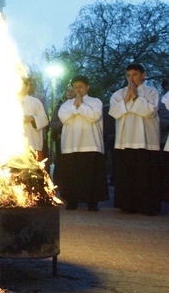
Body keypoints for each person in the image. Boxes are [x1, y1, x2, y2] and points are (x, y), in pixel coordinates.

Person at [108, 63, 161, 215]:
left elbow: (150, 112)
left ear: (143, 75)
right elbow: (114, 112)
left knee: (145, 176)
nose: (131, 78)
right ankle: (127, 205)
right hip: (125, 140)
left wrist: (136, 97)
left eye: (135, 75)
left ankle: (148, 206)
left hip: (146, 141)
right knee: (127, 175)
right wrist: (126, 99)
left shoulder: (152, 92)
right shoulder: (119, 94)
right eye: (128, 75)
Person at [57, 75, 108, 211]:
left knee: (91, 176)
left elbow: (94, 116)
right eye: (75, 87)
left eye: (80, 87)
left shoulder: (96, 102)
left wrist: (81, 106)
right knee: (72, 175)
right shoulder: (66, 104)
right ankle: (72, 201)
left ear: (87, 87)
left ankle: (92, 202)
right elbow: (64, 118)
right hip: (71, 145)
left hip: (91, 144)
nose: (77, 90)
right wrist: (75, 107)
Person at [49, 85, 75, 182]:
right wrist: (63, 122)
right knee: (60, 161)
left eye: (72, 91)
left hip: (75, 139)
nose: (70, 92)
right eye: (68, 90)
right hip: (61, 138)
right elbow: (53, 123)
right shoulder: (60, 106)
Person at [19, 77, 49, 161]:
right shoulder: (6, 101)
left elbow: (45, 120)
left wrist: (32, 118)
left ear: (27, 86)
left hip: (32, 142)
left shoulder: (35, 102)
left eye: (21, 84)